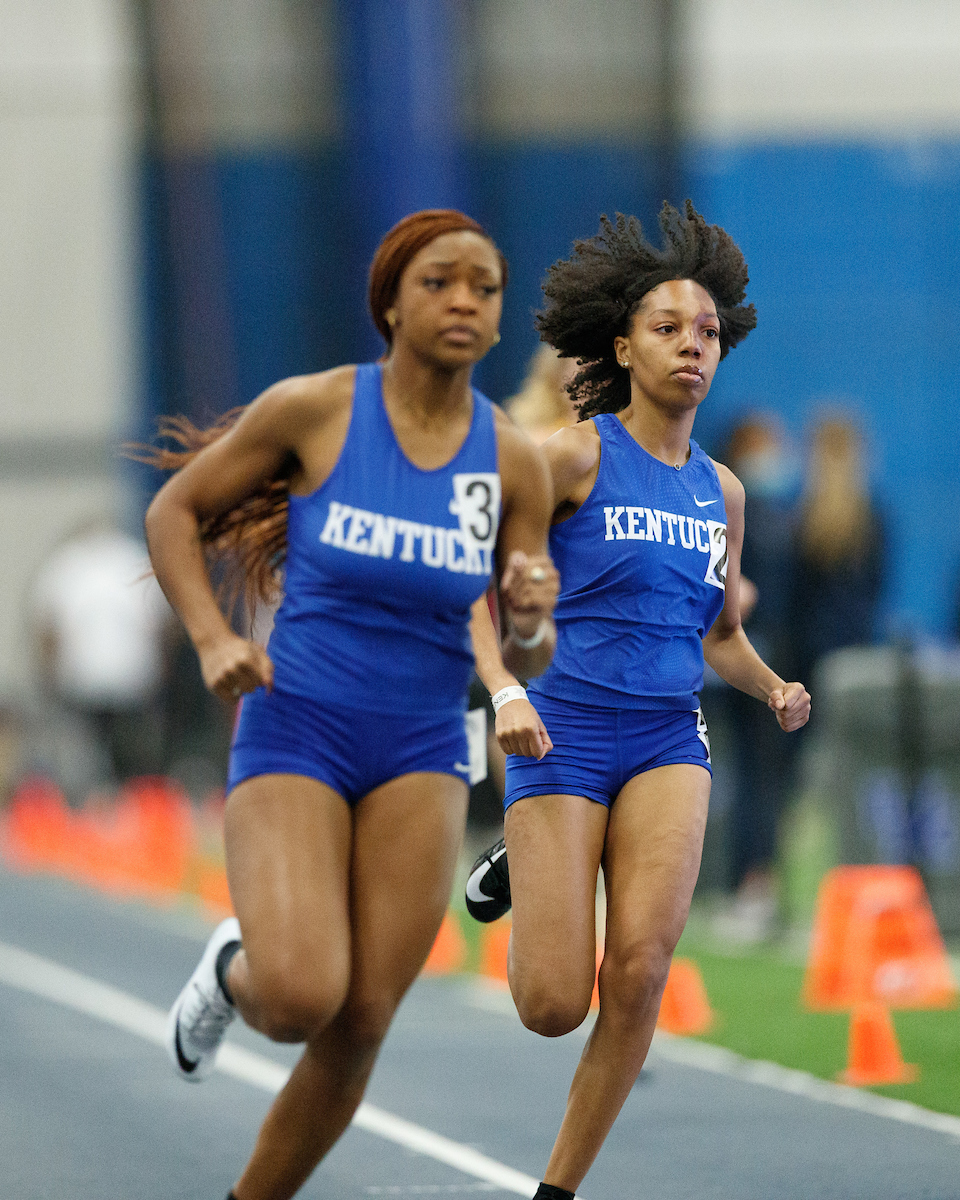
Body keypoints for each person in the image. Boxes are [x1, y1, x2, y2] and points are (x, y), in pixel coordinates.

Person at [141, 209, 558, 1200]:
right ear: (391, 304)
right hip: (300, 724)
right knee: (297, 997)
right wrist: (214, 638)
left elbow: (526, 648)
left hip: (423, 743)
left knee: (362, 1018)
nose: (463, 301)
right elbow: (174, 510)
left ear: (501, 316)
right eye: (438, 282)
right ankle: (236, 969)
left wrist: (534, 617)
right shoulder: (317, 410)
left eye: (485, 287)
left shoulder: (513, 461)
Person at [466, 203, 811, 1200]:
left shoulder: (723, 492)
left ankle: (557, 1190)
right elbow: (473, 587)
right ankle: (530, 863)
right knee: (550, 1004)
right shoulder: (571, 456)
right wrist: (503, 689)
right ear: (622, 346)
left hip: (668, 738)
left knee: (641, 972)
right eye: (667, 328)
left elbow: (719, 634)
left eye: (706, 332)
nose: (691, 346)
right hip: (561, 730)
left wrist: (773, 685)